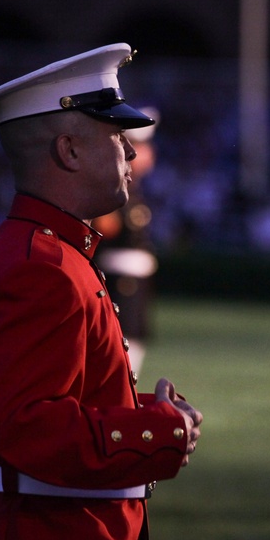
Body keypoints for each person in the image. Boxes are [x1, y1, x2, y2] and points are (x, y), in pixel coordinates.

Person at [0, 44, 202, 540]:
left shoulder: (56, 253)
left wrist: (146, 414)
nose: (130, 150)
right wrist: (155, 434)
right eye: (114, 134)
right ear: (67, 150)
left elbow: (69, 395)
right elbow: (29, 427)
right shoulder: (40, 268)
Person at [93, 108, 160, 374]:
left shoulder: (135, 189)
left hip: (135, 271)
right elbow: (105, 228)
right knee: (124, 339)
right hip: (120, 272)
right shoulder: (115, 188)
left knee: (135, 338)